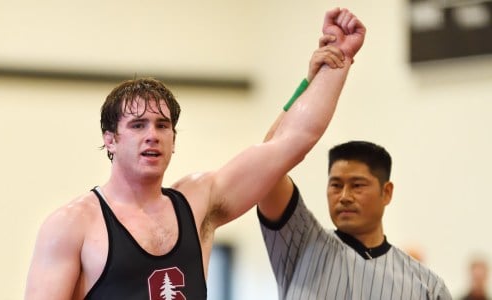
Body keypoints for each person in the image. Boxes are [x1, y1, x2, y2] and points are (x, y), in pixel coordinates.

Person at [24, 7, 362, 299]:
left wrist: (335, 65)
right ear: (110, 140)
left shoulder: (199, 202)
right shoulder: (72, 226)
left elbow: (289, 144)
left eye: (162, 125)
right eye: (138, 125)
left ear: (173, 137)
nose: (152, 136)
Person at [257, 140, 452, 299]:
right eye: (336, 185)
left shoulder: (428, 288)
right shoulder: (300, 241)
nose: (344, 196)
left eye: (357, 185)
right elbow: (265, 164)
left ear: (386, 192)